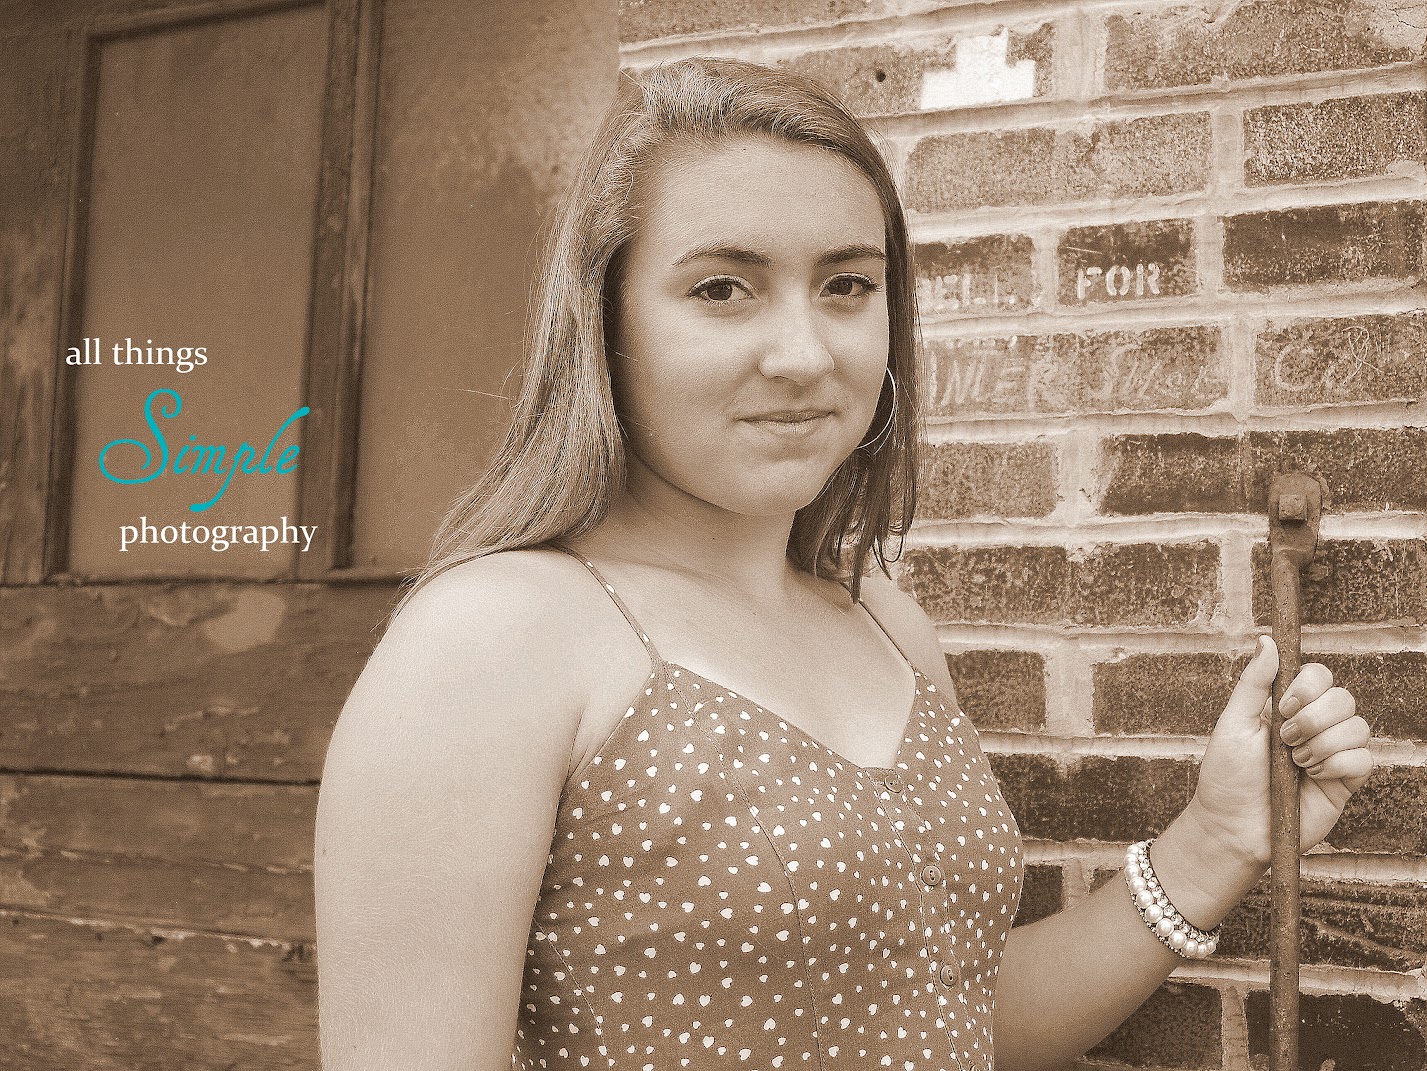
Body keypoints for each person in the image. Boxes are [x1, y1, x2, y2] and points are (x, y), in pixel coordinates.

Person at [313, 57, 1373, 1071]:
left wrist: (1213, 842)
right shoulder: (497, 636)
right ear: (604, 319)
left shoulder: (884, 624)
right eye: (722, 288)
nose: (804, 354)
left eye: (847, 285)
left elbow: (949, 1021)